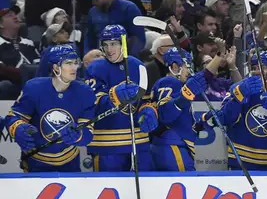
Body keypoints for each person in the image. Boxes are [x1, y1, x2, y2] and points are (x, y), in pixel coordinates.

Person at [6, 45, 95, 172]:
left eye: (76, 63)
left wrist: (79, 135)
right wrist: (18, 128)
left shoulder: (85, 92)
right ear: (55, 67)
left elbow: (88, 133)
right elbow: (13, 116)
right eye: (68, 63)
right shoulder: (34, 88)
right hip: (35, 161)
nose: (74, 67)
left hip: (70, 162)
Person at [84, 25, 158, 172]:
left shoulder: (138, 66)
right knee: (108, 191)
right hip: (106, 145)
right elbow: (91, 106)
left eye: (113, 44)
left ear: (123, 43)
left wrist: (149, 111)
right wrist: (114, 96)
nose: (109, 49)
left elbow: (147, 100)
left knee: (144, 191)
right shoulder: (95, 68)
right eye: (105, 45)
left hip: (138, 142)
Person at [211, 51, 267, 170]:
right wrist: (238, 98)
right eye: (254, 68)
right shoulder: (237, 89)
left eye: (261, 68)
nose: (257, 72)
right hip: (241, 165)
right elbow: (223, 119)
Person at [150, 47, 208, 171]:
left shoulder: (166, 83)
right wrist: (184, 97)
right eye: (187, 66)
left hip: (170, 143)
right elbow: (165, 114)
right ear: (175, 67)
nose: (189, 72)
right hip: (173, 145)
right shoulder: (169, 82)